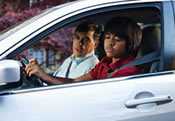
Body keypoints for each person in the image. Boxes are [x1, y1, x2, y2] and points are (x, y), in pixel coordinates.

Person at [25, 16, 143, 84]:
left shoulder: (128, 72)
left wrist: (44, 76)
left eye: (117, 40)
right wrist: (43, 75)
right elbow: (74, 83)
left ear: (130, 43)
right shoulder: (105, 63)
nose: (110, 43)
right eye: (107, 37)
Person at [25, 21, 99, 83]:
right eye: (77, 37)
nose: (79, 43)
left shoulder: (94, 66)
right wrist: (38, 72)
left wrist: (43, 75)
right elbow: (55, 79)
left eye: (85, 40)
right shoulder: (70, 60)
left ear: (95, 44)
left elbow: (71, 86)